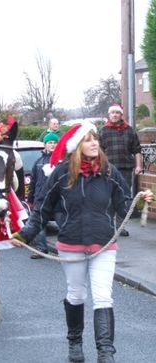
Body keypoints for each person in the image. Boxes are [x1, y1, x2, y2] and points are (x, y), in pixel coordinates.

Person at [11, 122, 153, 363]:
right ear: (77, 146)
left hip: (104, 245)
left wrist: (140, 202)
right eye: (88, 139)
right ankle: (75, 343)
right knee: (76, 295)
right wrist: (25, 234)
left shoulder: (109, 171)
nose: (94, 143)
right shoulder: (62, 173)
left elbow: (124, 205)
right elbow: (42, 207)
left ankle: (105, 353)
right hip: (72, 245)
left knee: (103, 297)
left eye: (95, 139)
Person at [99, 104, 143, 237]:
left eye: (117, 113)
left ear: (121, 115)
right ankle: (108, 226)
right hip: (108, 170)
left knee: (122, 199)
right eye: (112, 112)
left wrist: (138, 166)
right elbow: (98, 152)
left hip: (126, 170)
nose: (114, 115)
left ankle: (120, 227)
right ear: (109, 115)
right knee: (108, 199)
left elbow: (137, 150)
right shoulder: (103, 131)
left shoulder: (130, 131)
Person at [27, 131, 60, 259]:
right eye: (50, 143)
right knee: (39, 225)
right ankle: (41, 248)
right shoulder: (38, 161)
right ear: (45, 145)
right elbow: (33, 182)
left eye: (55, 142)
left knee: (64, 224)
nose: (52, 145)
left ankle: (73, 249)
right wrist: (31, 199)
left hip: (58, 200)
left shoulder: (63, 160)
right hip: (40, 199)